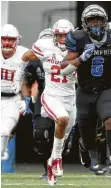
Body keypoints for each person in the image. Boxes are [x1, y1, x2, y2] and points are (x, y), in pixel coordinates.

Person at [59, 4, 111, 183]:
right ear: (85, 22)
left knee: (110, 120)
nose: (95, 23)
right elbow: (63, 68)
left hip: (105, 88)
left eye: (98, 20)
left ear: (104, 22)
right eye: (91, 20)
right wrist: (81, 58)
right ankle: (84, 147)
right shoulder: (77, 38)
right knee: (89, 139)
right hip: (84, 92)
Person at [22, 19, 76, 186]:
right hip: (51, 95)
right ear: (53, 36)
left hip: (70, 98)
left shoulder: (80, 48)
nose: (62, 39)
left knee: (63, 137)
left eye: (65, 36)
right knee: (61, 120)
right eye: (59, 35)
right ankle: (57, 159)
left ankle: (53, 161)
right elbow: (25, 57)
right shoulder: (45, 46)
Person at [21, 28, 55, 180]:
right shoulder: (34, 61)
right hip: (43, 97)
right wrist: (28, 99)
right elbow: (26, 81)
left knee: (63, 136)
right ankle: (48, 169)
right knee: (40, 134)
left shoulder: (67, 56)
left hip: (64, 97)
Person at [1, 24, 29, 159]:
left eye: (10, 39)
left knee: (5, 131)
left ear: (17, 40)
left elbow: (34, 79)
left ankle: (2, 151)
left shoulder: (25, 54)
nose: (7, 42)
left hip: (13, 98)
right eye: (4, 39)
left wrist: (28, 100)